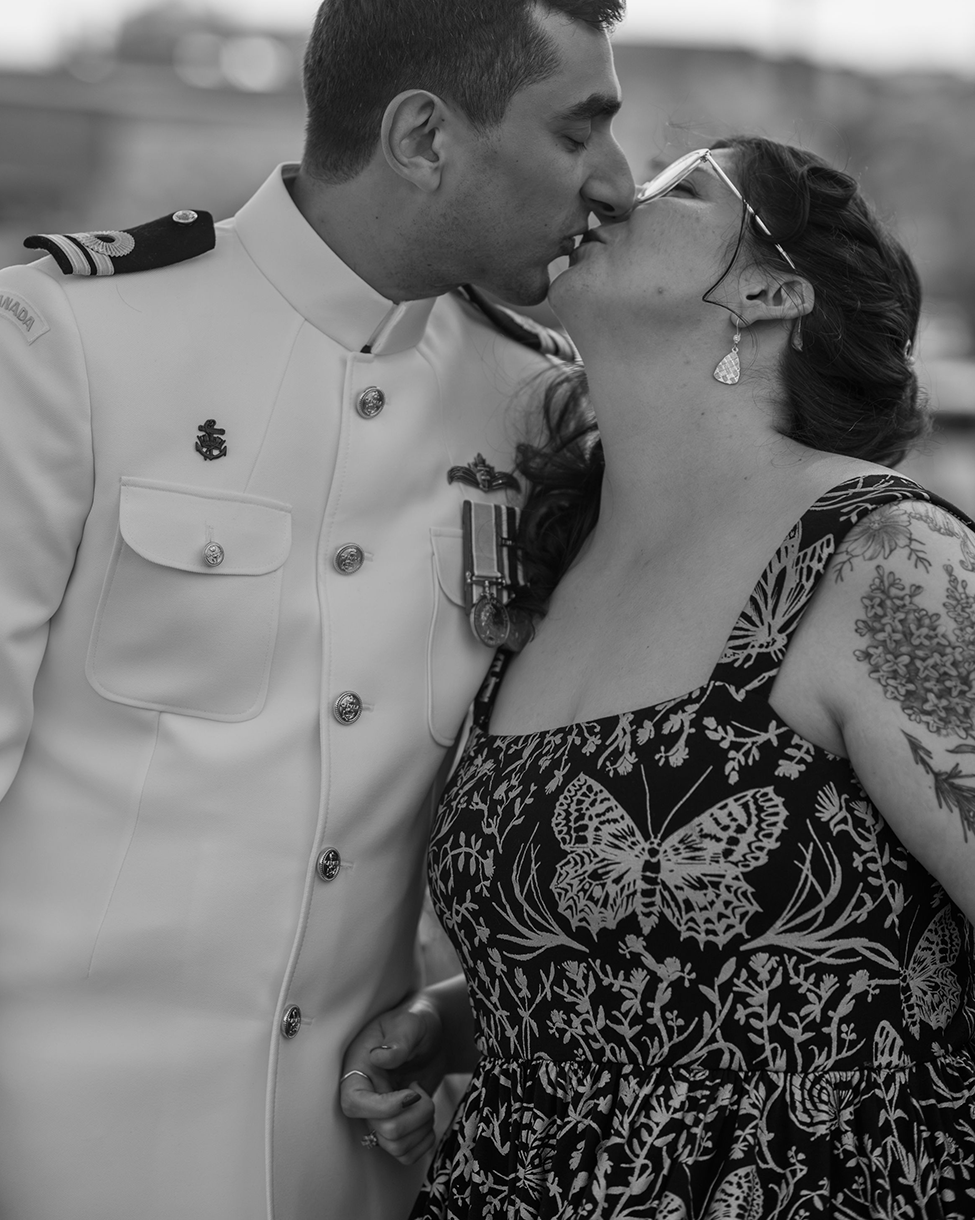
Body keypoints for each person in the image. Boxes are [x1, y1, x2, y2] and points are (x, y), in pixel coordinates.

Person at [0, 0, 637, 1220]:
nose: (615, 182)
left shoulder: (538, 403)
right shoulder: (67, 342)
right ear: (424, 137)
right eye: (576, 131)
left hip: (357, 1169)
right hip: (63, 1163)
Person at [341, 136, 975, 1218]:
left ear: (770, 290)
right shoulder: (552, 566)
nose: (607, 193)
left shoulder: (882, 560)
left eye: (679, 188)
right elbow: (675, 965)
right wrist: (452, 1019)